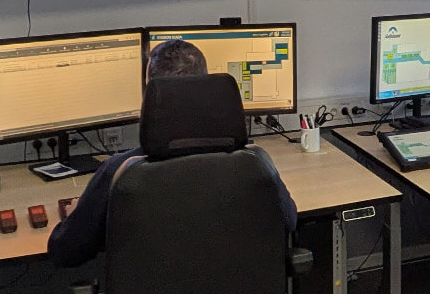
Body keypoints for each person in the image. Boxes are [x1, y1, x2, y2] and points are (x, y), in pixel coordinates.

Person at [47, 39, 297, 267]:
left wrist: (80, 212)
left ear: (150, 94)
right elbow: (290, 220)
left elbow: (65, 251)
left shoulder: (122, 171)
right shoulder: (254, 162)